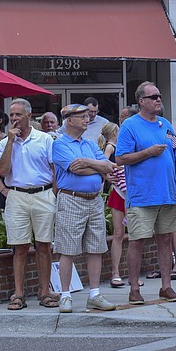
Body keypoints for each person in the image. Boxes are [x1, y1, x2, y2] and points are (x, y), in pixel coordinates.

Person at [116, 81, 176, 305]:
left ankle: (166, 286)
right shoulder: (129, 126)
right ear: (141, 102)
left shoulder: (166, 125)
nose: (159, 99)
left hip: (167, 194)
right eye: (154, 96)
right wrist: (147, 152)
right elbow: (120, 158)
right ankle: (135, 288)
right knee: (137, 241)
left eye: (159, 96)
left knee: (165, 240)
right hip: (142, 195)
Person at [0, 98, 58, 310]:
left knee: (44, 246)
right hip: (17, 195)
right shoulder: (4, 142)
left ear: (29, 116)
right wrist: (11, 141)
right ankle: (18, 294)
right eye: (11, 115)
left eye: (18, 115)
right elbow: (2, 171)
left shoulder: (45, 139)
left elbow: (54, 169)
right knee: (19, 247)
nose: (14, 119)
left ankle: (44, 291)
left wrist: (54, 194)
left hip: (43, 193)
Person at [52, 104, 117, 313]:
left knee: (96, 247)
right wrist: (97, 167)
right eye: (81, 116)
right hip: (71, 199)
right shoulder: (59, 144)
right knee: (67, 248)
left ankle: (95, 294)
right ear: (69, 120)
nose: (87, 119)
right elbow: (75, 169)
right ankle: (65, 295)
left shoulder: (89, 144)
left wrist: (89, 162)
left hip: (94, 199)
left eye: (87, 116)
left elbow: (109, 166)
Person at [100, 123, 127, 289]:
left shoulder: (124, 145)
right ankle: (115, 272)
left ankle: (130, 273)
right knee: (119, 233)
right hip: (119, 191)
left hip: (132, 191)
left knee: (134, 234)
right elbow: (103, 161)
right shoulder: (111, 146)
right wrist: (108, 174)